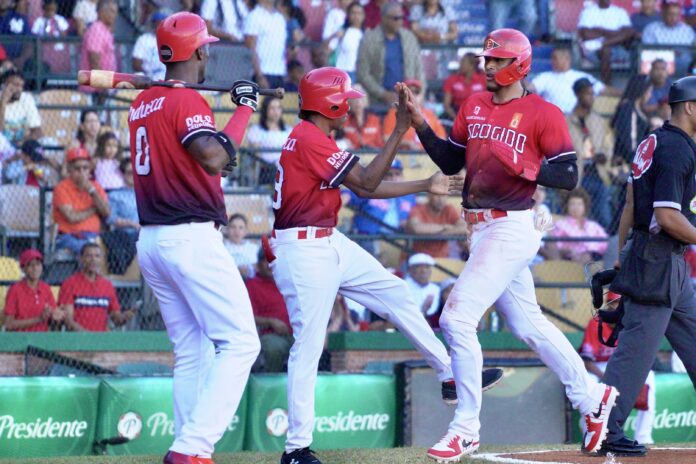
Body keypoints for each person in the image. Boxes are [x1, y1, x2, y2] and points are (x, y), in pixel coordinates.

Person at [404, 28, 620, 461]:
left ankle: (466, 428)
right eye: (486, 59)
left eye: (497, 59)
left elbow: (569, 175)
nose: (488, 66)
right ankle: (592, 396)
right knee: (529, 325)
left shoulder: (543, 112)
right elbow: (451, 160)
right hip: (482, 228)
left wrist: (526, 167)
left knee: (457, 318)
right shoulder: (473, 105)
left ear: (519, 64)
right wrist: (421, 124)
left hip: (512, 225)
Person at [268, 67, 503, 464]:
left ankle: (449, 375)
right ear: (329, 104)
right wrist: (398, 131)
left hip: (325, 240)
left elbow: (368, 185)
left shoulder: (313, 137)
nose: (350, 107)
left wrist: (423, 185)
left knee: (394, 291)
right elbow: (365, 183)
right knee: (308, 346)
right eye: (345, 101)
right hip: (303, 250)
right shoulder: (310, 139)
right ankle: (296, 449)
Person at [129, 12, 262, 464]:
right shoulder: (185, 100)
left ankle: (189, 445)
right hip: (188, 238)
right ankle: (192, 447)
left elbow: (206, 160)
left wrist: (228, 131)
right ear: (199, 51)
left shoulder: (143, 101)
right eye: (206, 47)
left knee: (192, 350)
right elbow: (212, 157)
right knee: (241, 342)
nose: (209, 53)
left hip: (153, 241)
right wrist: (244, 109)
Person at [596, 75, 696, 457]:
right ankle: (604, 429)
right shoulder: (677, 149)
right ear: (690, 107)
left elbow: (629, 204)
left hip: (661, 260)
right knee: (635, 352)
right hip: (658, 259)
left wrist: (623, 256)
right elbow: (667, 217)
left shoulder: (653, 140)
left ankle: (605, 425)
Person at [579, 293, 656, 445]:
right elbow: (587, 362)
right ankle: (589, 435)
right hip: (597, 368)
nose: (616, 306)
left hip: (624, 366)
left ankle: (643, 436)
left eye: (619, 302)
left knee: (649, 376)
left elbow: (639, 356)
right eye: (612, 303)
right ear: (608, 305)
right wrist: (607, 377)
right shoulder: (596, 323)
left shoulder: (632, 323)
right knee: (588, 387)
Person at [357, 2, 424, 107]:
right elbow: (363, 73)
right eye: (395, 18)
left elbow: (419, 69)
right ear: (384, 18)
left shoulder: (409, 38)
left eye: (401, 18)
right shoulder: (369, 39)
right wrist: (383, 94)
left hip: (407, 100)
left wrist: (420, 94)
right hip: (377, 101)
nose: (400, 21)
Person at [566, 77, 613, 228]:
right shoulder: (566, 121)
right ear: (578, 95)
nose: (592, 97)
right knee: (574, 219)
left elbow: (608, 144)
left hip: (597, 174)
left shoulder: (598, 120)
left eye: (593, 94)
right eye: (587, 93)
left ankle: (604, 238)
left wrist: (605, 156)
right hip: (576, 175)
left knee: (604, 219)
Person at [341, 158, 415, 253]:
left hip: (396, 238)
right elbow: (349, 194)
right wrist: (345, 196)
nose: (394, 178)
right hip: (368, 237)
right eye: (389, 174)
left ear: (402, 176)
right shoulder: (371, 190)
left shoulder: (409, 196)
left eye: (397, 174)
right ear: (382, 177)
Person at [59, 242, 135, 331]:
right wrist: (86, 335)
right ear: (81, 259)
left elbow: (116, 319)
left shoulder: (107, 285)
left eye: (97, 256)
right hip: (78, 337)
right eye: (89, 256)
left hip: (101, 338)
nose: (93, 260)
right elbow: (68, 320)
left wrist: (125, 316)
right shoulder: (69, 284)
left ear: (102, 259)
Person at [52, 147, 111, 258]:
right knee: (89, 251)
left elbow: (106, 212)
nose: (82, 172)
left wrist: (92, 191)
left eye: (85, 168)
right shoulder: (61, 188)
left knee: (113, 248)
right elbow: (72, 217)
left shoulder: (96, 187)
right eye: (77, 169)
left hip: (95, 235)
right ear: (69, 169)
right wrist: (94, 209)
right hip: (69, 236)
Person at [528, 47, 621, 115]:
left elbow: (604, 90)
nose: (553, 61)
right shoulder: (545, 77)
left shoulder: (582, 76)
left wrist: (625, 94)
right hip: (555, 118)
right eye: (552, 58)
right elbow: (530, 88)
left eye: (556, 58)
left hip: (578, 117)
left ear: (567, 59)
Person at [245, 248, 292, 372]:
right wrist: (270, 322)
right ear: (258, 265)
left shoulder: (286, 283)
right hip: (269, 334)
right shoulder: (252, 285)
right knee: (274, 347)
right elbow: (246, 316)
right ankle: (271, 382)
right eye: (266, 261)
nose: (270, 264)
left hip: (295, 333)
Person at [2, 249, 63, 331]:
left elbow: (52, 318)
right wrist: (38, 319)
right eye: (30, 265)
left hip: (42, 337)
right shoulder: (15, 290)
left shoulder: (45, 288)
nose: (35, 268)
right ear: (23, 269)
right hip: (20, 337)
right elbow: (9, 324)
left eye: (38, 264)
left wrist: (57, 317)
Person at [577, 0, 635, 84]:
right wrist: (615, 33)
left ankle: (603, 44)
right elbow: (585, 34)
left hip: (618, 48)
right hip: (593, 49)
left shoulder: (620, 12)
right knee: (605, 50)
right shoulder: (588, 12)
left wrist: (599, 31)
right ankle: (606, 85)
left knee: (628, 35)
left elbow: (627, 32)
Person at [382, 78, 445, 151]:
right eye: (409, 92)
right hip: (402, 154)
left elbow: (442, 138)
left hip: (427, 155)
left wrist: (426, 148)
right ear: (402, 95)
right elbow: (386, 138)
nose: (413, 95)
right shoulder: (394, 112)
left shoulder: (430, 114)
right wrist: (408, 143)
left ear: (422, 96)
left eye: (416, 92)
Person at [549, 188, 609, 263]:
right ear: (567, 206)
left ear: (585, 206)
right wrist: (570, 250)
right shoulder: (561, 225)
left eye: (579, 204)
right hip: (571, 258)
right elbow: (557, 245)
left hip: (597, 256)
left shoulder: (593, 225)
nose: (576, 207)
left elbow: (605, 242)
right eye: (572, 204)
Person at [103, 158, 139, 275]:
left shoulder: (148, 194)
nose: (133, 175)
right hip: (125, 233)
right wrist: (131, 224)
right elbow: (111, 218)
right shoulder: (115, 195)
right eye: (129, 172)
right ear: (123, 174)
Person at [405, 192, 467, 258]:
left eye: (444, 195)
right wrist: (444, 227)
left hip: (443, 258)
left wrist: (436, 232)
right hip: (418, 257)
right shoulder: (418, 208)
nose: (441, 199)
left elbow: (465, 227)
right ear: (429, 196)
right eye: (437, 195)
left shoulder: (448, 209)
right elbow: (416, 228)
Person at [642, 0, 696, 75]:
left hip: (684, 65)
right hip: (660, 64)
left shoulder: (687, 30)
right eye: (670, 14)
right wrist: (671, 53)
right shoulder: (652, 29)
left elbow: (692, 50)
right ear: (663, 14)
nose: (673, 17)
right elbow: (647, 52)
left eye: (676, 14)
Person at [243, 0, 287, 89]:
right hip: (262, 74)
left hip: (280, 73)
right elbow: (250, 49)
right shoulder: (254, 16)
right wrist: (259, 76)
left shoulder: (280, 18)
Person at [79, 0, 118, 96]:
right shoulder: (96, 29)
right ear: (102, 12)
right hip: (94, 90)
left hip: (105, 86)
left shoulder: (106, 30)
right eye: (111, 11)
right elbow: (94, 61)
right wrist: (103, 87)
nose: (114, 15)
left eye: (115, 12)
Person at [245, 96, 292, 174]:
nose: (276, 111)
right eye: (272, 108)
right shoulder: (256, 130)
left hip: (285, 169)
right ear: (265, 110)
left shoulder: (288, 130)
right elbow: (257, 154)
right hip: (265, 170)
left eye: (278, 108)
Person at [611, 75, 652, 163]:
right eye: (649, 92)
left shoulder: (639, 109)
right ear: (642, 91)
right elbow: (628, 139)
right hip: (631, 158)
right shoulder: (627, 107)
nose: (650, 95)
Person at [1, 68, 42, 146]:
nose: (19, 89)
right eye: (15, 85)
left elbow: (37, 132)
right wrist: (3, 103)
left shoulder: (26, 99)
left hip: (22, 144)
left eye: (21, 86)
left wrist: (20, 144)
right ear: (4, 85)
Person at [442, 53, 486, 120]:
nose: (460, 65)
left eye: (463, 62)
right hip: (456, 114)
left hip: (479, 114)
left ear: (471, 66)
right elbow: (446, 105)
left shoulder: (483, 80)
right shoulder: (452, 79)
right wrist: (457, 119)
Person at [31, 0, 70, 74]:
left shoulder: (60, 19)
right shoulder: (39, 21)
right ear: (44, 9)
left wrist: (56, 24)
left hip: (58, 50)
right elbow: (34, 35)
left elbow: (64, 35)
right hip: (44, 50)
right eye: (48, 10)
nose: (51, 13)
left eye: (53, 10)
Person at [340, 83, 382, 150]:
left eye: (360, 99)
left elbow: (380, 144)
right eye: (354, 99)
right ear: (349, 102)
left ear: (365, 101)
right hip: (351, 153)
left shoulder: (375, 119)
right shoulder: (344, 120)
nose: (358, 102)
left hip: (372, 153)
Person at [330, 1, 364, 82]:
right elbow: (328, 48)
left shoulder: (366, 34)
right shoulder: (342, 32)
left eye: (359, 13)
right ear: (348, 15)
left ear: (363, 16)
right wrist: (334, 36)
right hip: (343, 73)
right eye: (353, 13)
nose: (356, 16)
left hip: (359, 73)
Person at [132, 11, 168, 81]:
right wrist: (149, 76)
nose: (158, 26)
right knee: (138, 75)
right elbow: (136, 64)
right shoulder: (144, 39)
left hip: (165, 79)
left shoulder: (170, 40)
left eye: (161, 23)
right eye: (156, 22)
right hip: (147, 78)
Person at [223, 213, 260, 279]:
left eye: (241, 227)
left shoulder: (253, 248)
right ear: (228, 229)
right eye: (233, 227)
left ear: (245, 231)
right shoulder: (222, 248)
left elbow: (260, 267)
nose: (237, 231)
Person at [405, 252, 440, 318]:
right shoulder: (403, 286)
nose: (423, 271)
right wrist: (424, 310)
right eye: (418, 267)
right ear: (410, 270)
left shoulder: (435, 289)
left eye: (427, 267)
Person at [0, 0, 32, 71]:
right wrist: (5, 61)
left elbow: (29, 43)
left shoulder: (21, 19)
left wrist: (20, 60)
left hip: (19, 61)